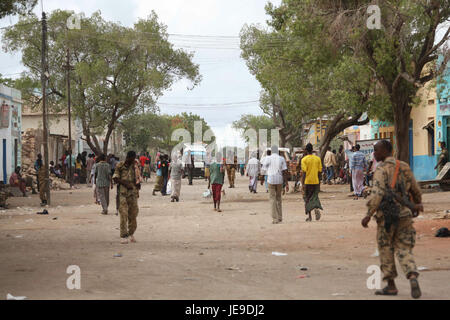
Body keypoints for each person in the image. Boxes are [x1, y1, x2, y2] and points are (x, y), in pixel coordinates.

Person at [362, 140, 423, 299]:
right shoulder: (404, 166)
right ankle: (412, 276)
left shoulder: (381, 170)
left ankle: (391, 286)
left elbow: (377, 194)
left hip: (386, 218)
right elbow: (416, 189)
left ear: (385, 151)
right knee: (404, 248)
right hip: (405, 215)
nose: (374, 154)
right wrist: (416, 204)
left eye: (376, 151)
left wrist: (368, 214)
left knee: (386, 248)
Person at [113, 151, 140, 244]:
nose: (133, 160)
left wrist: (137, 185)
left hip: (133, 194)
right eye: (132, 158)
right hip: (123, 193)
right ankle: (123, 235)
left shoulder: (135, 166)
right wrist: (125, 183)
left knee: (133, 214)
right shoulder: (120, 166)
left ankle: (131, 233)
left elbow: (137, 178)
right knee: (123, 213)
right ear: (128, 157)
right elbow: (115, 178)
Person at [263, 146, 289, 224]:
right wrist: (286, 183)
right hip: (279, 180)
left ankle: (275, 219)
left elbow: (263, 169)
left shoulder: (267, 158)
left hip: (271, 180)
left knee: (272, 199)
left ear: (271, 151)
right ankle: (280, 217)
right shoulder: (281, 159)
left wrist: (261, 179)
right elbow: (285, 171)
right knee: (278, 198)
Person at [301, 143, 323, 222]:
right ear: (312, 149)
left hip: (308, 181)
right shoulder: (317, 159)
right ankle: (316, 208)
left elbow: (304, 172)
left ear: (306, 150)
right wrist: (319, 181)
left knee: (307, 198)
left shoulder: (304, 159)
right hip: (316, 181)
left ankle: (310, 217)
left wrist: (303, 184)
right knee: (315, 197)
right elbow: (320, 171)